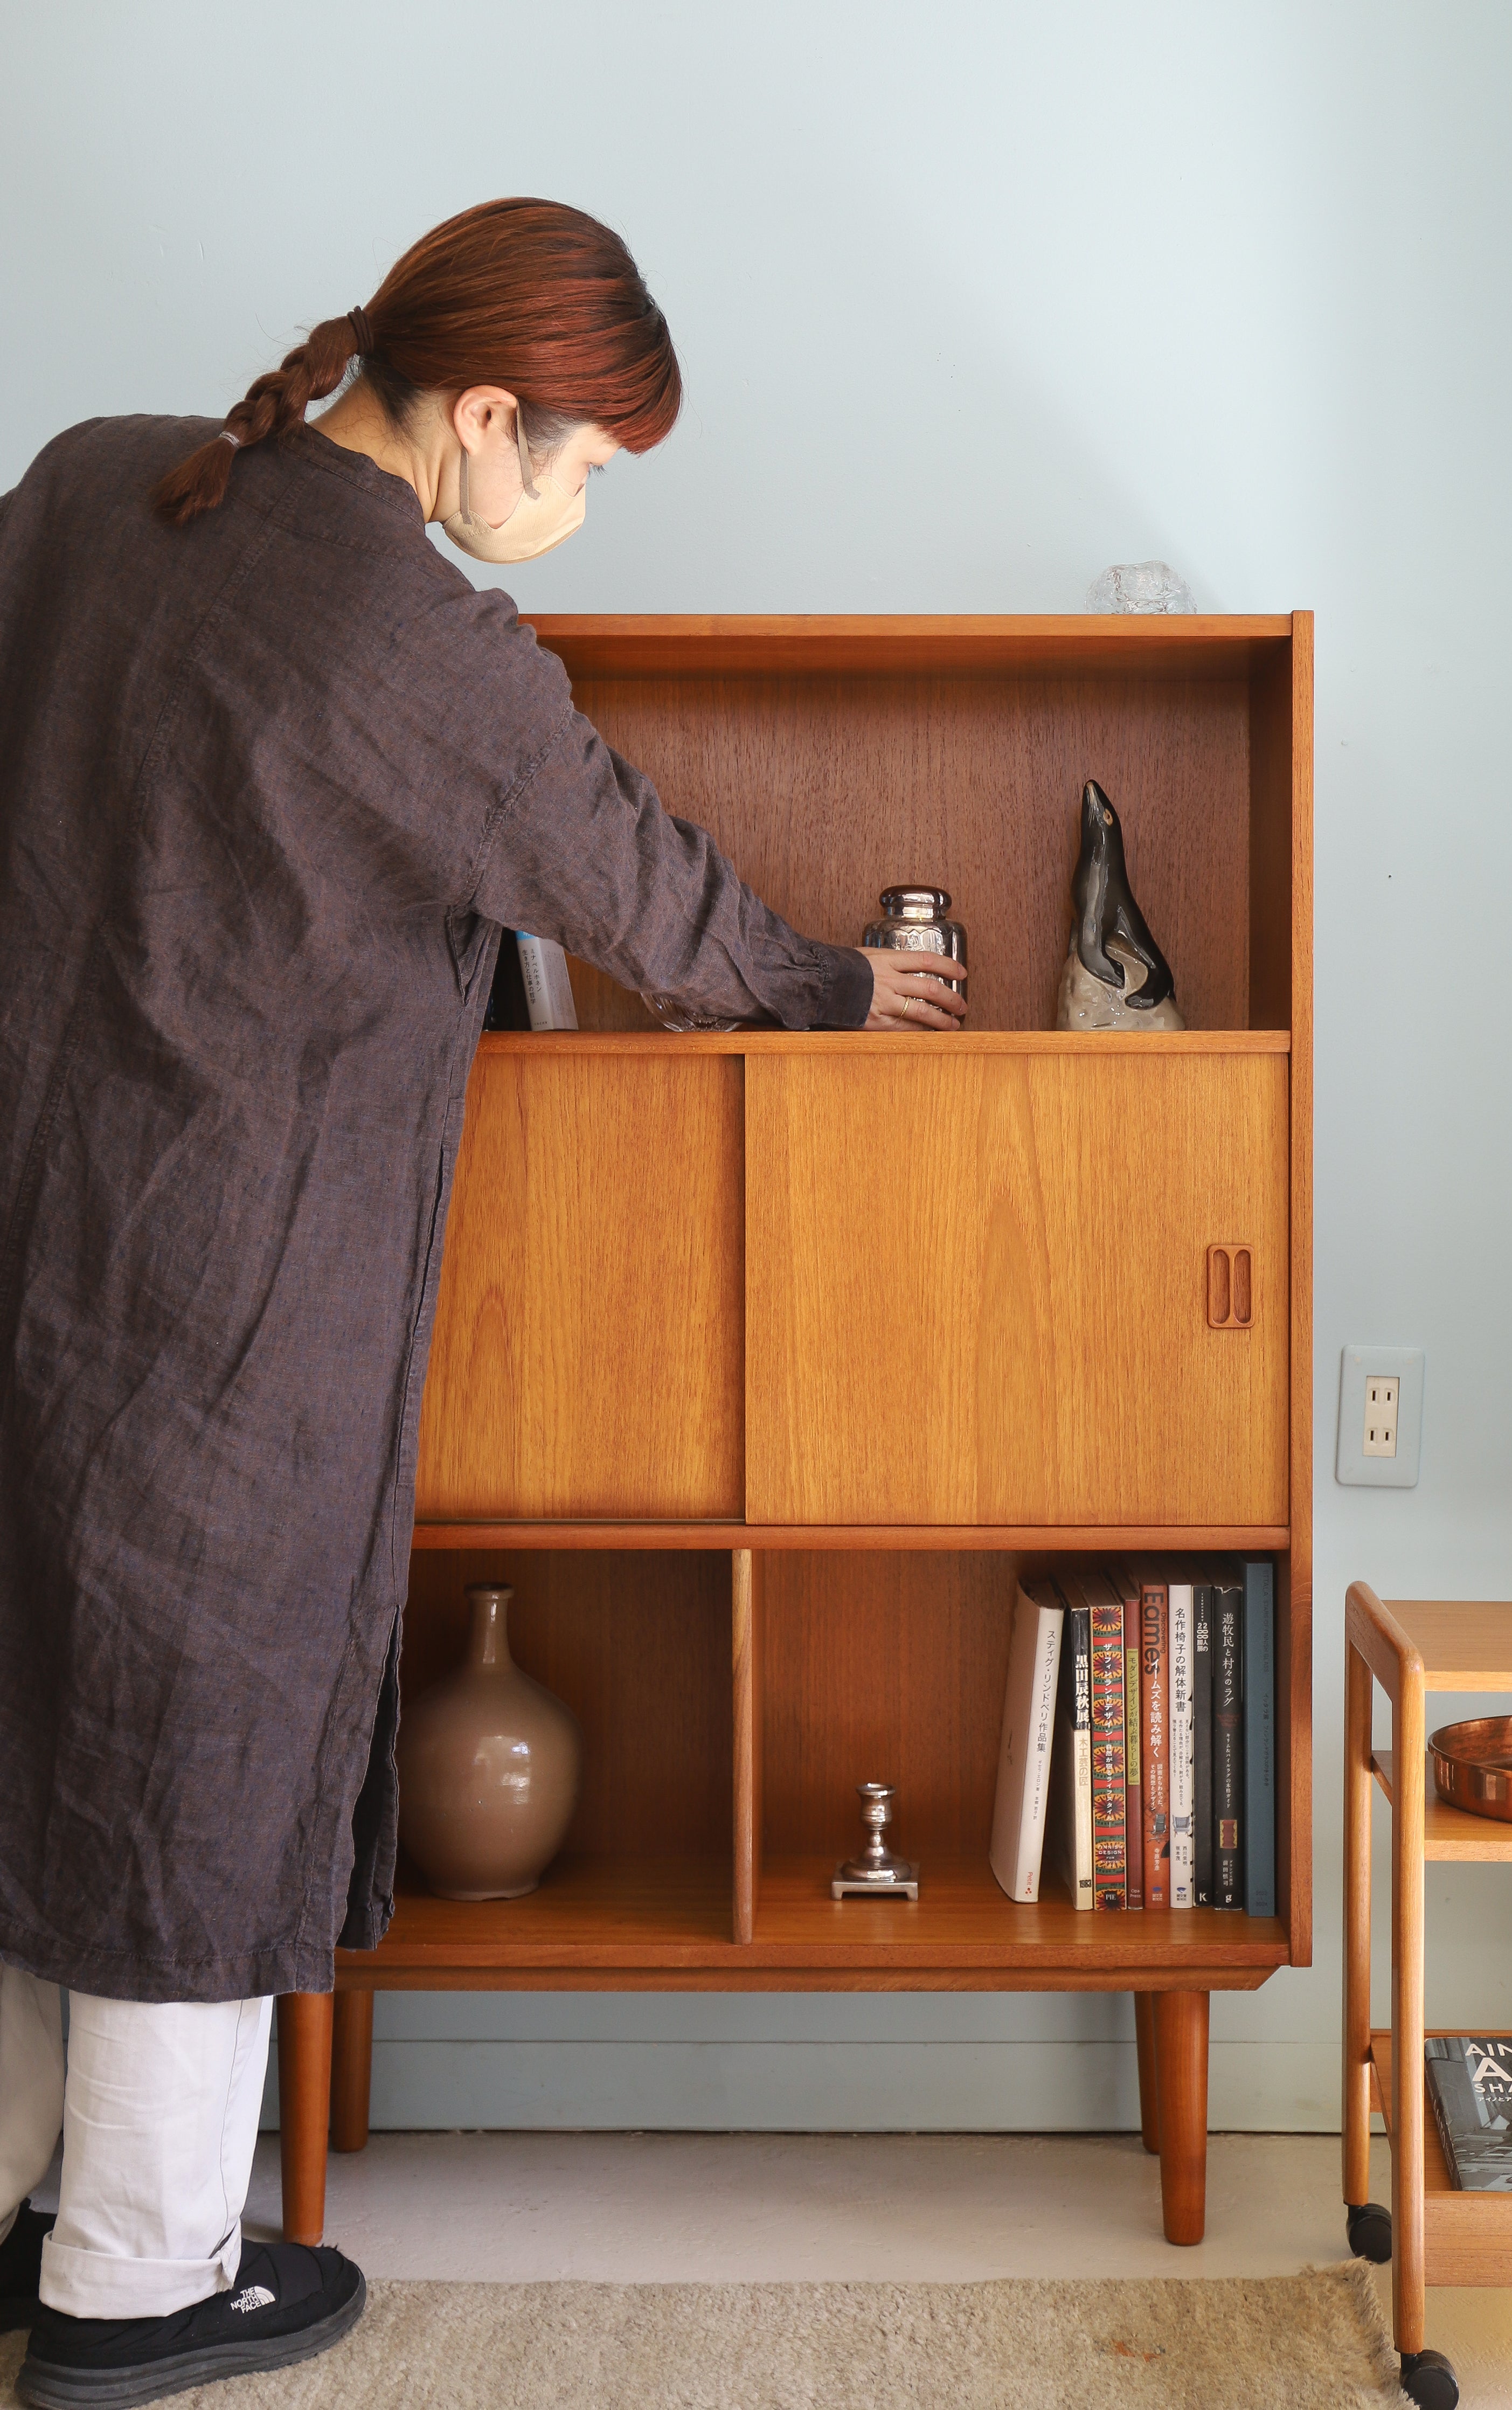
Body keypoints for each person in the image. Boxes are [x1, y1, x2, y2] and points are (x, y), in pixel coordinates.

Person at [0, 196, 965, 2407]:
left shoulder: (82, 478)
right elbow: (642, 885)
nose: (579, 509)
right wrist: (839, 980)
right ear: (485, 414)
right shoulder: (416, 645)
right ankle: (131, 2286)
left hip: (34, 1230)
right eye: (588, 468)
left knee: (40, 1705)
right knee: (192, 1739)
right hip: (223, 1273)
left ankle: (33, 2197)